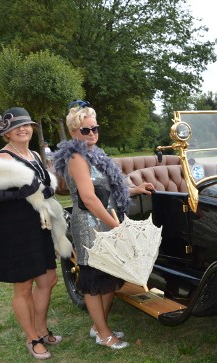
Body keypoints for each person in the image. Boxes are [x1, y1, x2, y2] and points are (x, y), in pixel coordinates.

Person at [53, 100, 154, 350]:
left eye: (95, 128)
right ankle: (104, 333)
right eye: (86, 130)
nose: (92, 134)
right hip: (89, 222)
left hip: (106, 219)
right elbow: (88, 198)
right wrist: (116, 226)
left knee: (110, 276)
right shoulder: (76, 157)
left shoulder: (97, 154)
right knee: (95, 278)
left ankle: (98, 326)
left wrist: (135, 189)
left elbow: (109, 190)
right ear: (74, 133)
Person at [0, 107, 64, 360]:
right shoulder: (3, 159)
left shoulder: (34, 154)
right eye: (16, 127)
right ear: (7, 133)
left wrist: (46, 191)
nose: (23, 129)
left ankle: (42, 329)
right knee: (23, 286)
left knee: (47, 281)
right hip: (15, 228)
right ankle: (32, 338)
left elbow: (40, 186)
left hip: (39, 224)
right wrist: (18, 194)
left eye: (27, 125)